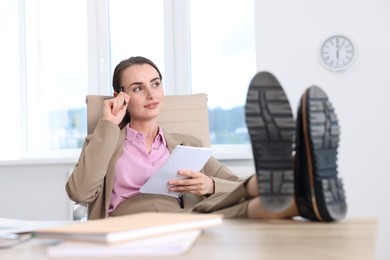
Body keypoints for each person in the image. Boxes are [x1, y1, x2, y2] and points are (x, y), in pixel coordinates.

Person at [66, 56, 347, 222]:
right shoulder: (105, 140)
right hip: (127, 228)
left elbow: (234, 185)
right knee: (233, 209)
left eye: (156, 83)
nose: (151, 94)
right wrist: (107, 125)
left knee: (229, 199)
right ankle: (299, 179)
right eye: (138, 88)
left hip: (182, 224)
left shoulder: (187, 145)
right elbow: (79, 193)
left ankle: (300, 198)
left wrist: (210, 184)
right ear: (121, 96)